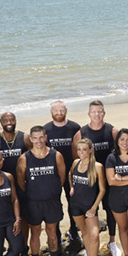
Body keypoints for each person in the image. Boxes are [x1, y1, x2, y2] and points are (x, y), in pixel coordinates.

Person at [17, 126, 67, 256]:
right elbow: (21, 182)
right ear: (30, 139)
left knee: (52, 231)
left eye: (41, 137)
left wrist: (51, 191)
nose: (38, 141)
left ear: (45, 138)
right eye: (35, 138)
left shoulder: (55, 155)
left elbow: (62, 177)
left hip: (52, 201)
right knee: (35, 232)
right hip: (34, 203)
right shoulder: (24, 158)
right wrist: (35, 193)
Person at [74, 101, 120, 256]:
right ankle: (89, 247)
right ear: (88, 114)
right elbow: (77, 159)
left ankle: (112, 242)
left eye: (100, 111)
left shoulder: (113, 131)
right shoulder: (81, 133)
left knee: (111, 210)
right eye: (93, 112)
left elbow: (120, 154)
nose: (96, 115)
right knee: (90, 212)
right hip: (88, 183)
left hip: (107, 179)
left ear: (104, 113)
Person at [0, 112, 28, 256]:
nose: (9, 122)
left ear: (16, 121)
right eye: (6, 120)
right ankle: (12, 248)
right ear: (1, 123)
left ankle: (24, 248)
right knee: (7, 219)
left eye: (12, 119)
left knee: (23, 219)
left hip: (21, 185)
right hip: (2, 187)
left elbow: (32, 158)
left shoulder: (24, 138)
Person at [44, 101, 82, 245]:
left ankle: (74, 230)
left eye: (61, 110)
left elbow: (81, 150)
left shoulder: (75, 128)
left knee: (73, 201)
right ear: (51, 112)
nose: (59, 113)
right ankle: (57, 233)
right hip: (53, 174)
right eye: (56, 110)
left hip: (72, 172)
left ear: (66, 110)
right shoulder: (46, 129)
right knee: (54, 204)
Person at [68, 139, 106, 256]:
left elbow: (102, 190)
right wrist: (72, 187)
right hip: (75, 205)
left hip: (90, 207)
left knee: (94, 235)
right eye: (79, 150)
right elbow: (70, 175)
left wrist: (94, 208)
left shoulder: (97, 167)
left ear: (91, 150)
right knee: (84, 232)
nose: (81, 152)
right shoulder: (75, 163)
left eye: (84, 149)